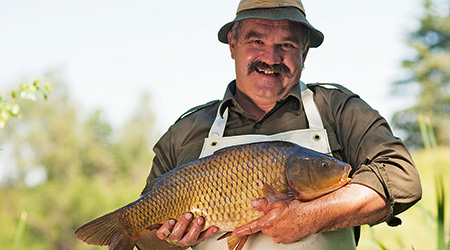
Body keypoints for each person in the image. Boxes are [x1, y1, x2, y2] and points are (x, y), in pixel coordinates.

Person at [136, 0, 422, 249]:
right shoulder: (186, 130)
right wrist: (168, 241)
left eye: (286, 44)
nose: (271, 58)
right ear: (233, 46)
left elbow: (402, 178)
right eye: (256, 41)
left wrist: (311, 217)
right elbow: (142, 239)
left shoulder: (337, 109)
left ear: (305, 53)